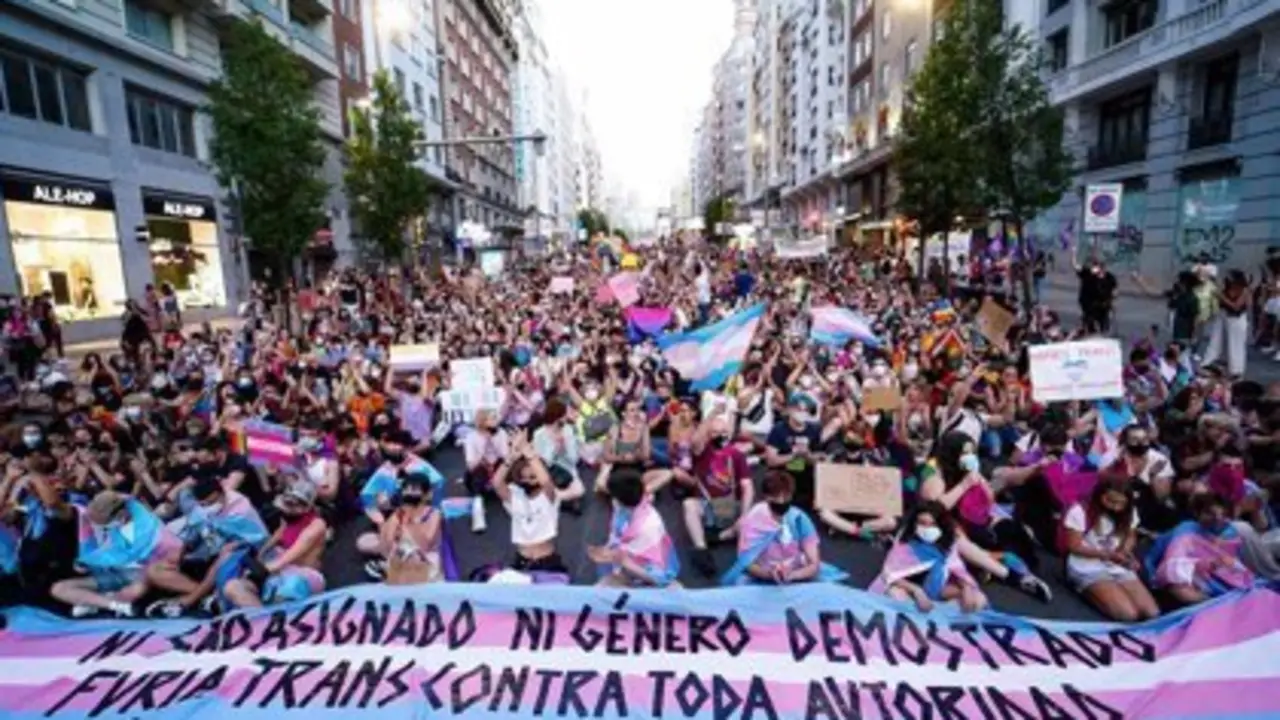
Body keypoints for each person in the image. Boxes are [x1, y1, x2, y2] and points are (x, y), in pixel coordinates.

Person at [50, 491, 181, 617]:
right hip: (110, 575)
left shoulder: (148, 529)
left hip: (138, 577)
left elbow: (163, 565)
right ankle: (112, 604)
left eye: (104, 523)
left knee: (136, 590)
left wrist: (142, 584)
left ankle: (96, 602)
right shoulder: (106, 521)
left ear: (120, 515)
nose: (101, 527)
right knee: (59, 589)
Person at [721, 471, 846, 585]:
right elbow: (747, 563)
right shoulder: (753, 519)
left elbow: (814, 564)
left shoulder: (799, 519)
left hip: (795, 571)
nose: (781, 501)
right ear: (766, 497)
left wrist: (791, 575)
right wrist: (769, 574)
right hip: (763, 574)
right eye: (776, 497)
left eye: (785, 497)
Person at [1062, 479, 1159, 622]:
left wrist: (1126, 551)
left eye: (1120, 503)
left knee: (1152, 613)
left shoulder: (1129, 512)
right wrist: (1108, 555)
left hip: (1115, 564)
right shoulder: (1080, 511)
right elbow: (1074, 546)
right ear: (1100, 495)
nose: (1115, 507)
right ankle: (1084, 588)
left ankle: (1111, 589)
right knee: (1128, 615)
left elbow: (1131, 535)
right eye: (1110, 501)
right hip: (1087, 565)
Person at [220, 480, 328, 609]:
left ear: (306, 507)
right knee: (232, 587)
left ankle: (273, 616)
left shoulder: (317, 525)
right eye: (287, 503)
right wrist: (262, 553)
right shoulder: (287, 517)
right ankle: (264, 618)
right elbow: (280, 533)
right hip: (278, 570)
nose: (288, 508)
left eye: (294, 504)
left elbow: (291, 555)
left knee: (289, 588)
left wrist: (261, 571)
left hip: (302, 575)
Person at [493, 430, 584, 577]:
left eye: (533, 477)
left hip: (547, 562)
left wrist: (529, 453)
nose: (529, 481)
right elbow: (497, 483)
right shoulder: (514, 496)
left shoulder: (550, 496)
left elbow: (546, 481)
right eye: (524, 478)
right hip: (521, 561)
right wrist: (510, 458)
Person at [871, 501, 988, 613]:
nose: (927, 528)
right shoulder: (905, 544)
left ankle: (939, 619)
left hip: (936, 594)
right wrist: (917, 591)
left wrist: (965, 588)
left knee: (979, 598)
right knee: (895, 594)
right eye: (922, 523)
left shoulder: (947, 547)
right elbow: (889, 575)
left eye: (932, 524)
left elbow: (958, 572)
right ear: (915, 524)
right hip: (910, 592)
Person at [1146, 492, 1256, 607]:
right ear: (1197, 513)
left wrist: (1220, 563)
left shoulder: (1231, 532)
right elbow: (1173, 565)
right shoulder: (1186, 530)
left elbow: (1235, 564)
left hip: (1215, 577)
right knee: (1180, 588)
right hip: (1184, 572)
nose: (1217, 519)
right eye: (1210, 513)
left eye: (1223, 514)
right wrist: (1200, 564)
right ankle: (1211, 604)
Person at [589, 467, 680, 588]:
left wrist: (623, 561)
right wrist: (608, 552)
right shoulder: (625, 502)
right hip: (623, 566)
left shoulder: (648, 528)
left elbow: (660, 577)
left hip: (645, 576)